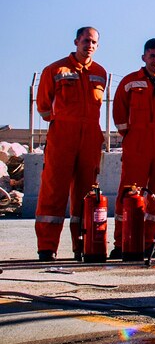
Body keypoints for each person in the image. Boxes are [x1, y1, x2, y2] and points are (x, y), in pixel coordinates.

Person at [35, 27, 108, 261]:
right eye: (86, 40)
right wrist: (65, 121)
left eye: (94, 42)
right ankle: (47, 247)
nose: (90, 45)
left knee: (86, 193)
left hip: (90, 136)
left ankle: (83, 245)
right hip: (62, 135)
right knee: (54, 190)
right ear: (76, 41)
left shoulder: (100, 73)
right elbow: (44, 108)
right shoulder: (55, 70)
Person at [109, 38, 155, 259]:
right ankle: (123, 242)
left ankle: (152, 242)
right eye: (152, 55)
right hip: (138, 143)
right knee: (131, 193)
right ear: (143, 57)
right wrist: (132, 136)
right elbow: (119, 115)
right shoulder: (129, 82)